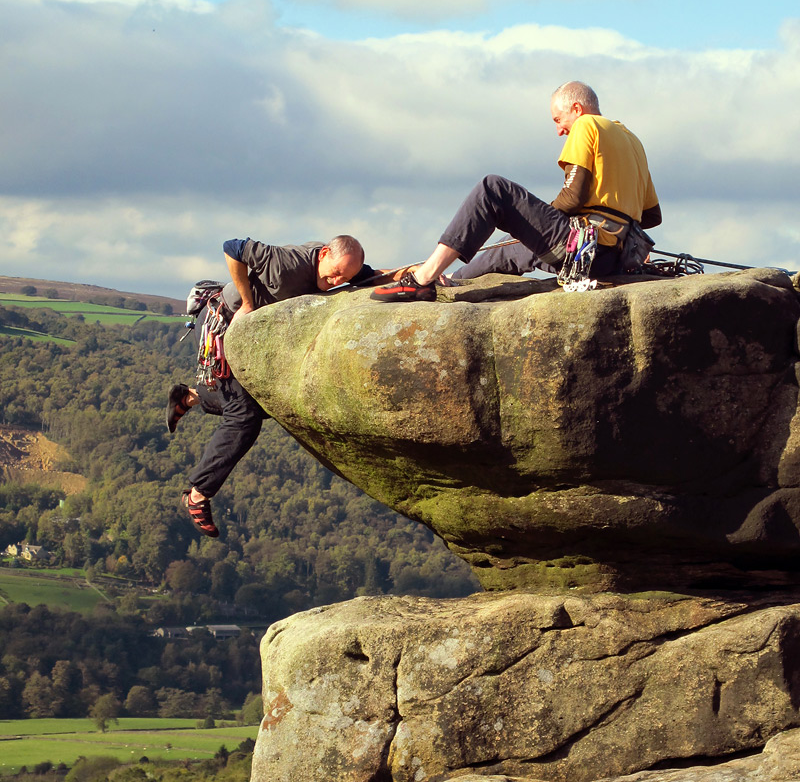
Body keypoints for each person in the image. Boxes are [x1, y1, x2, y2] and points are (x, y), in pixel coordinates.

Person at [370, 81, 662, 302]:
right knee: (509, 247)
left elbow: (574, 196)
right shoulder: (632, 140)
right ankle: (455, 279)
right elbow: (651, 216)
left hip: (585, 249)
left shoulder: (587, 124)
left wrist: (539, 219)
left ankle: (421, 280)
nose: (559, 130)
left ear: (576, 109)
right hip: (611, 259)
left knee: (492, 189)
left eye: (558, 120)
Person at [166, 235, 377, 538]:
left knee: (263, 403)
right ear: (325, 253)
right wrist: (248, 303)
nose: (336, 282)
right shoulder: (286, 265)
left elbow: (379, 275)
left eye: (345, 278)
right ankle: (198, 494)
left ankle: (188, 399)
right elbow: (232, 248)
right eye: (335, 273)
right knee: (244, 418)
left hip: (251, 336)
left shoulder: (342, 268)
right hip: (225, 324)